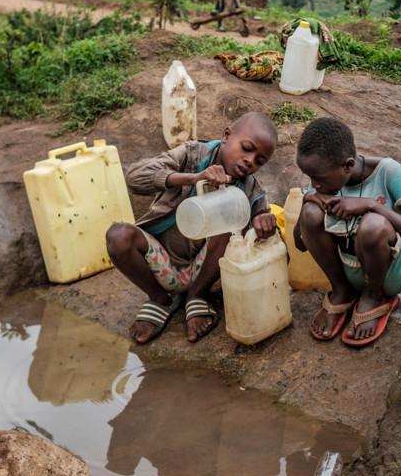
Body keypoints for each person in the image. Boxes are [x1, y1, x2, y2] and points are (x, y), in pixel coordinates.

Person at [106, 112, 278, 344]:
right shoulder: (192, 154)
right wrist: (192, 178)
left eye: (259, 161)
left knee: (230, 222)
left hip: (203, 270)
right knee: (118, 236)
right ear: (226, 135)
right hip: (158, 261)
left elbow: (262, 221)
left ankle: (197, 296)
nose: (250, 160)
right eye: (247, 148)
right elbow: (135, 177)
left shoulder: (250, 190)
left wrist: (262, 223)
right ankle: (160, 299)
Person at [293, 117, 401, 347]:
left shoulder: (388, 172)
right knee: (310, 213)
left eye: (318, 179)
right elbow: (299, 243)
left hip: (388, 273)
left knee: (373, 225)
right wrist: (307, 201)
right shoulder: (323, 180)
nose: (314, 184)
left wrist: (373, 205)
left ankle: (373, 297)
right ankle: (342, 291)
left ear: (347, 165)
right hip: (347, 270)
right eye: (310, 179)